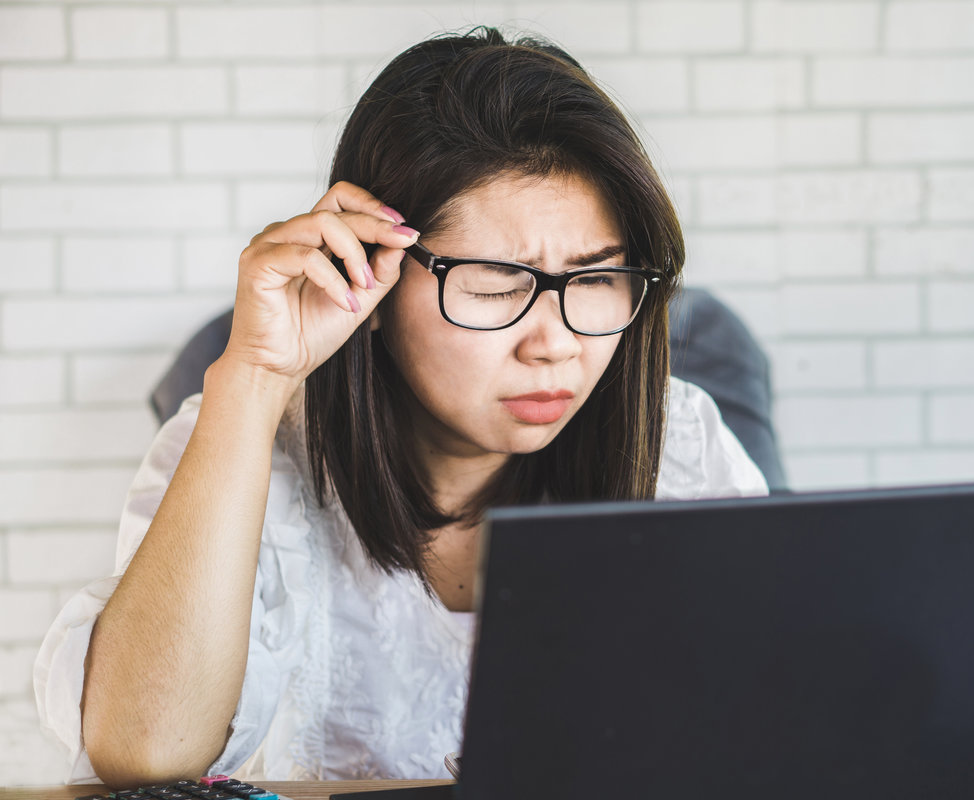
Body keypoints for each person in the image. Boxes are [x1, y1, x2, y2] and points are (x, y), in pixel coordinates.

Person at [34, 27, 767, 787]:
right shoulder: (245, 441)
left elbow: (780, 723)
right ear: (373, 278)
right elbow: (143, 754)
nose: (554, 344)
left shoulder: (680, 442)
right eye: (494, 285)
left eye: (594, 280)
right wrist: (252, 379)